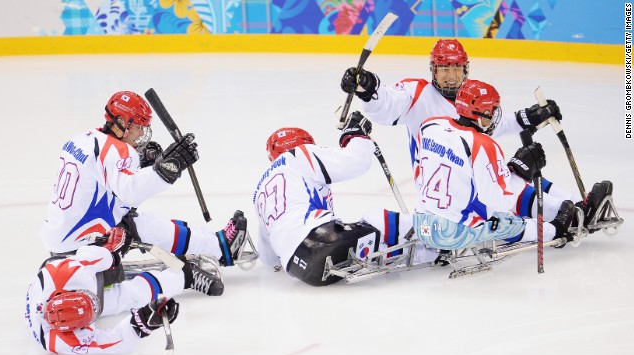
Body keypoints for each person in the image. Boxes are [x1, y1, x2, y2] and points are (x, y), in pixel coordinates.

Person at [339, 39, 576, 220]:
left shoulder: (470, 95)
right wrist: (367, 88)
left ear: (466, 69)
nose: (452, 77)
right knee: (511, 178)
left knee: (512, 172)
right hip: (442, 189)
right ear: (433, 70)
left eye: (457, 69)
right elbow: (386, 104)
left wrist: (531, 116)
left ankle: (576, 203)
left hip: (468, 176)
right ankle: (563, 215)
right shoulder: (417, 93)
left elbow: (495, 124)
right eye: (444, 69)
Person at [39, 90, 247, 269]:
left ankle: (208, 241)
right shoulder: (118, 151)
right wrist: (167, 167)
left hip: (59, 236)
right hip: (83, 244)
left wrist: (141, 161)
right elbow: (130, 193)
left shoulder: (81, 139)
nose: (140, 134)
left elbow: (103, 181)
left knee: (131, 217)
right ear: (121, 122)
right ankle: (220, 248)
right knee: (145, 225)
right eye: (138, 126)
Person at [410, 79, 612, 250]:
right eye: (493, 110)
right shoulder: (483, 144)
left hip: (421, 224)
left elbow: (419, 174)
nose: (496, 115)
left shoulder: (431, 125)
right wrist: (520, 173)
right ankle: (558, 229)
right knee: (504, 221)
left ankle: (571, 206)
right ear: (482, 114)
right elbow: (500, 203)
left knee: (482, 183)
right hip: (452, 234)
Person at [253, 112, 438, 286]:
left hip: (303, 270)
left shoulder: (259, 190)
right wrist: (356, 136)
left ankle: (426, 251)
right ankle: (438, 231)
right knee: (374, 219)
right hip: (322, 239)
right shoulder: (298, 154)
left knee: (374, 243)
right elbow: (356, 162)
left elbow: (268, 259)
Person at [25, 227, 221, 355]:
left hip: (68, 270)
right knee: (130, 297)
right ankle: (187, 276)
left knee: (105, 264)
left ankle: (115, 274)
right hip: (72, 288)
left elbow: (94, 256)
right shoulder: (58, 340)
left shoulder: (65, 274)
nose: (96, 304)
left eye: (91, 301)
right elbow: (113, 342)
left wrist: (113, 250)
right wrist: (142, 323)